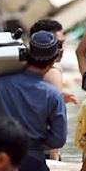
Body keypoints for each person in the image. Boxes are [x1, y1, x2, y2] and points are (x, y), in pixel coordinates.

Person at [0, 31, 67, 171]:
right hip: (34, 163)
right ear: (52, 62)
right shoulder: (53, 95)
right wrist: (35, 145)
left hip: (0, 159)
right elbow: (58, 139)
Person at [30, 19, 77, 162]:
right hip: (44, 151)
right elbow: (52, 118)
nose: (62, 49)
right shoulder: (53, 71)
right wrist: (54, 156)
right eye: (58, 44)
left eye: (63, 44)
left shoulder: (28, 68)